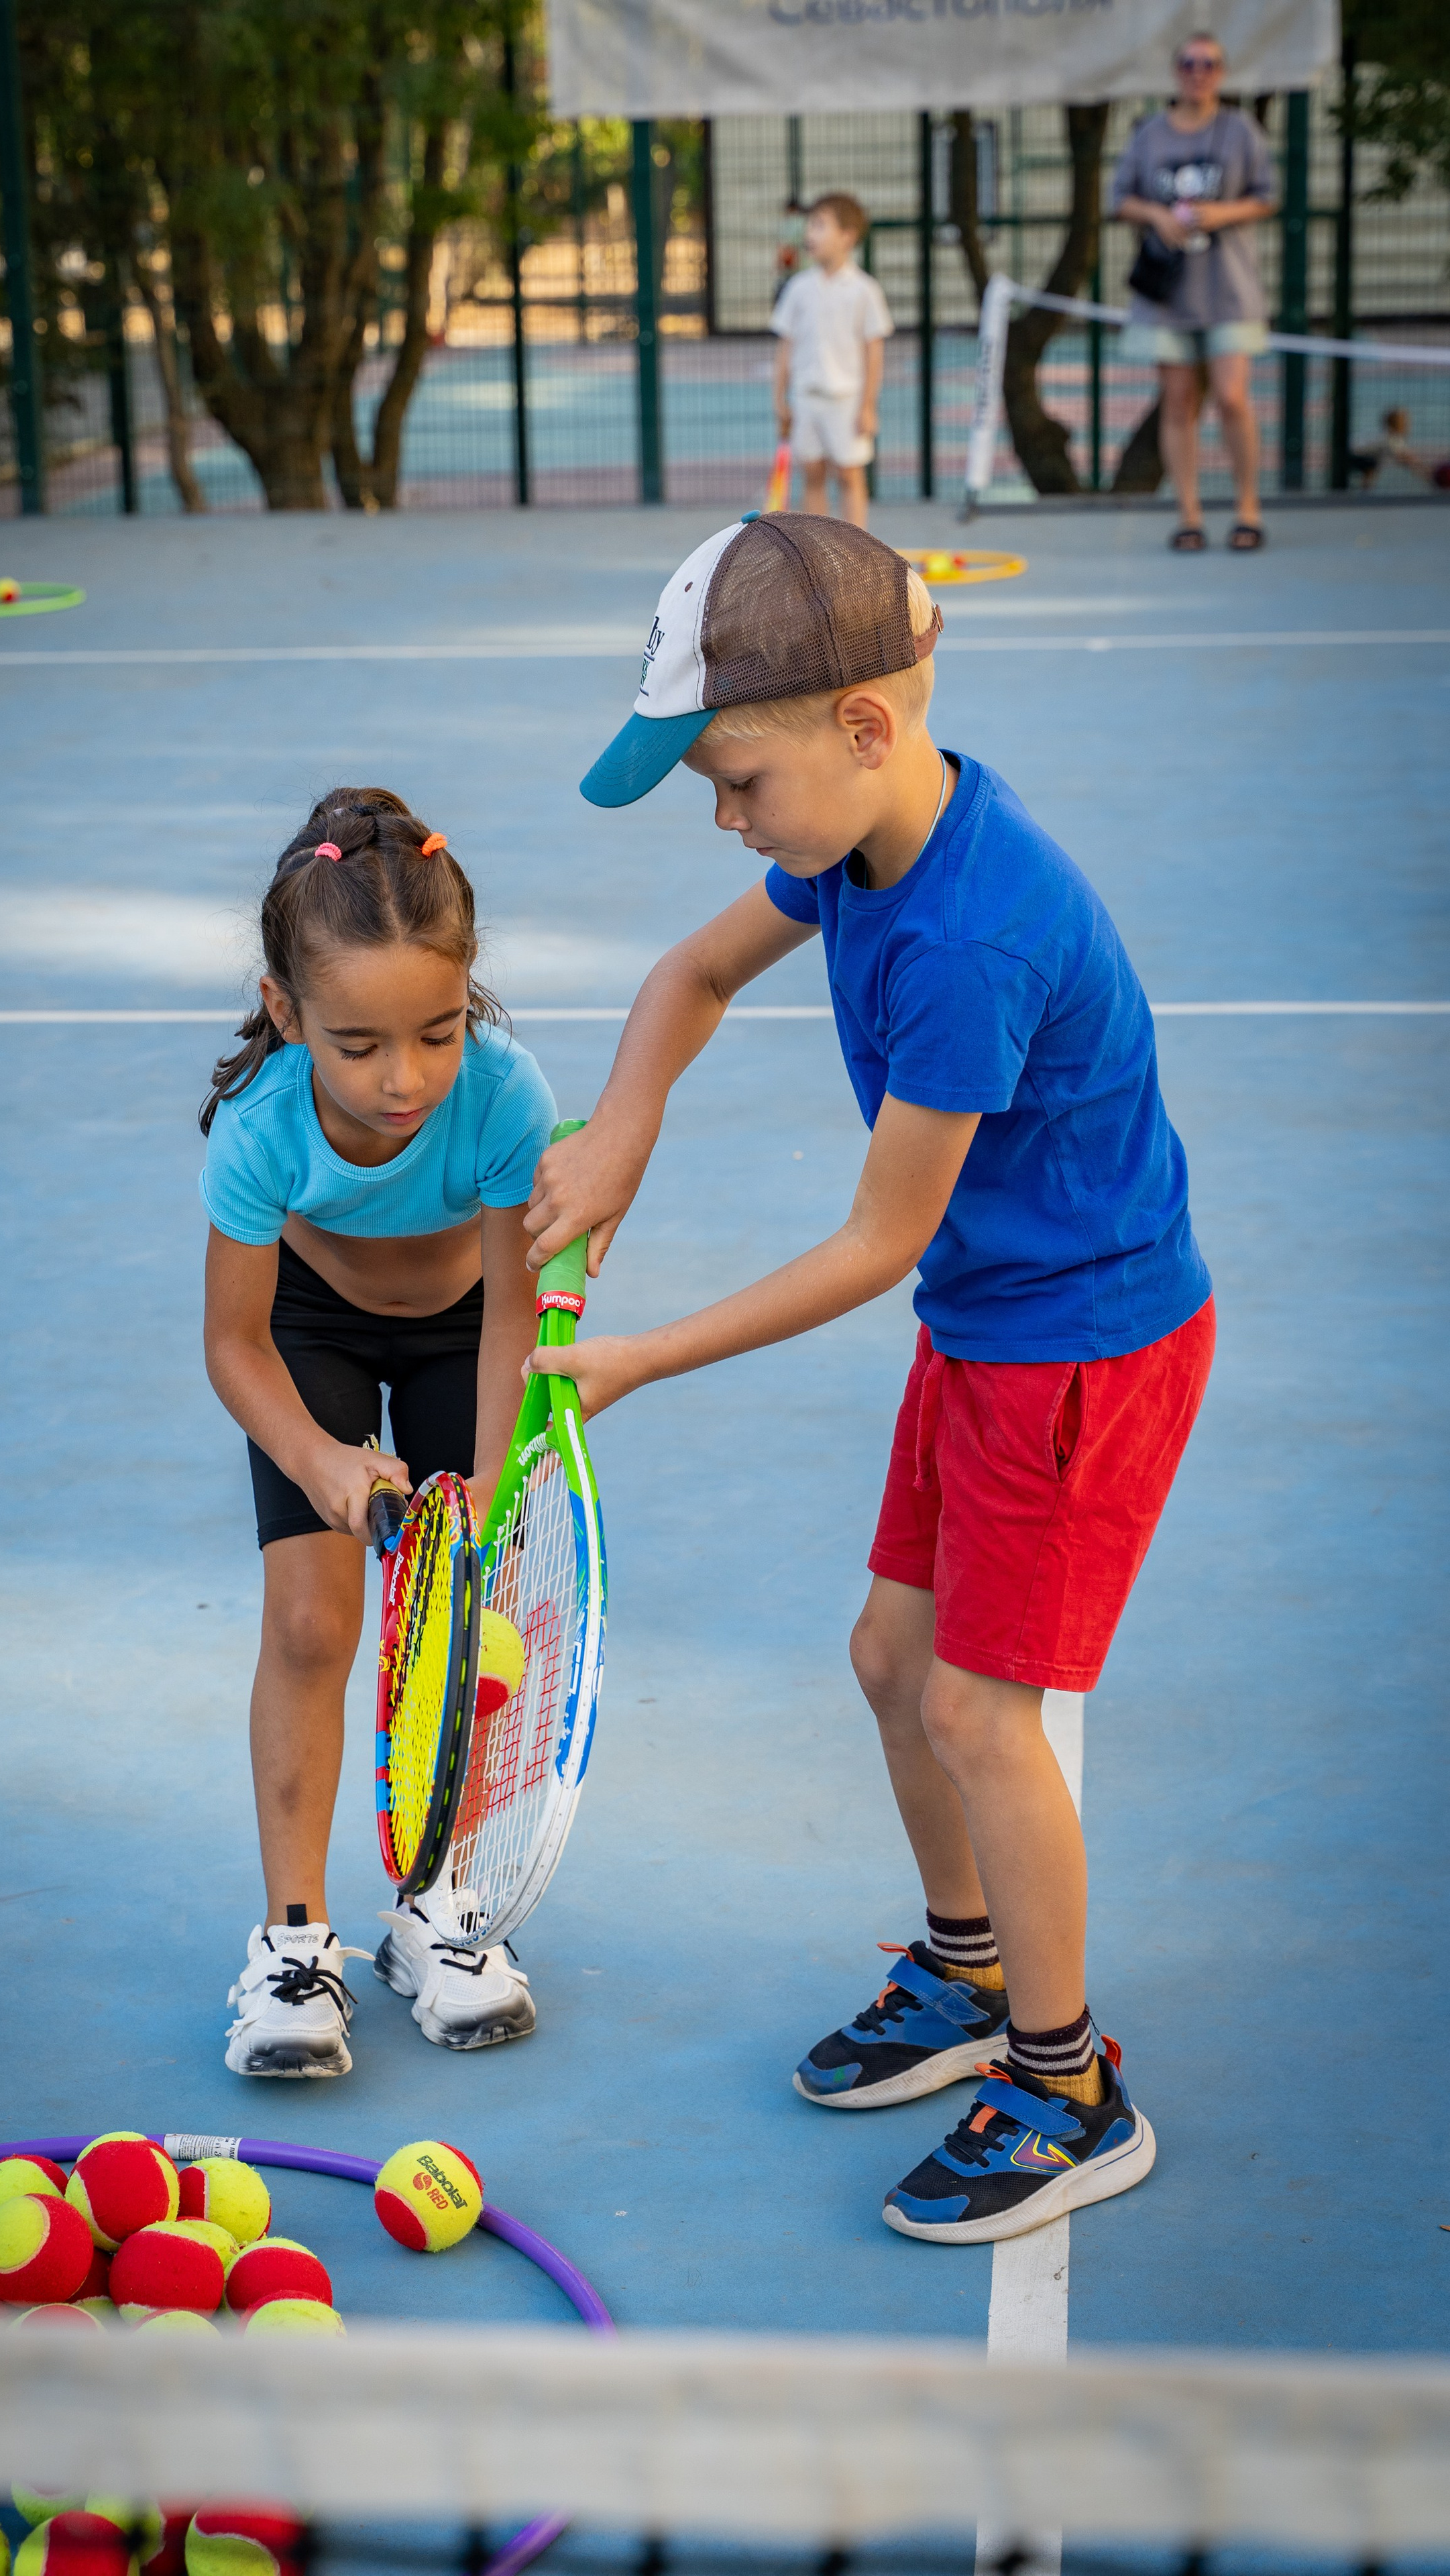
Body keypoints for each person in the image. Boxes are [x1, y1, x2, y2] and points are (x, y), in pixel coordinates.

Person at [527, 514, 1215, 2245]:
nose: (723, 814)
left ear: (859, 725)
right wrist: (621, 1131)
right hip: (996, 1321)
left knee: (980, 1708)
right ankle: (965, 1969)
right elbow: (684, 975)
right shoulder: (856, 841)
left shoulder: (969, 938)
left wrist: (639, 1359)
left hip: (1075, 1346)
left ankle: (1065, 2081)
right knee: (886, 1653)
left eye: (732, 776)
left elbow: (870, 1243)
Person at [199, 789, 556, 2080]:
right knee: (312, 1627)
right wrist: (325, 1464)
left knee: (464, 1630)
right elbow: (235, 1344)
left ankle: (438, 1908)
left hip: (469, 1334)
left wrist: (495, 1482)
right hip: (311, 1332)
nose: (403, 1079)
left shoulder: (507, 1098)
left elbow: (516, 1312)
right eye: (356, 1043)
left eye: (438, 1032)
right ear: (287, 1013)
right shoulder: (260, 1129)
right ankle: (294, 1943)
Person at [1113, 34, 1277, 553]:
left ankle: (1247, 507)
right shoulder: (1151, 134)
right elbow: (1122, 199)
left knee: (1231, 397)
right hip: (1168, 294)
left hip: (1228, 288)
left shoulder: (1239, 130)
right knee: (1179, 401)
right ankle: (1190, 514)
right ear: (1176, 71)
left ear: (1222, 73)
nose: (1198, 72)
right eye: (1188, 63)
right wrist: (1159, 214)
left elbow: (1266, 196)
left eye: (1209, 64)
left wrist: (1222, 213)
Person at [772, 193, 893, 531]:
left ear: (847, 237)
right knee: (812, 474)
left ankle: (857, 553)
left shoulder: (864, 291)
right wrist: (779, 399)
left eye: (820, 225)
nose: (810, 233)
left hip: (847, 400)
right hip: (807, 398)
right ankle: (821, 553)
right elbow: (785, 348)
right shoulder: (798, 289)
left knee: (850, 475)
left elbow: (874, 352)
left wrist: (868, 405)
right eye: (811, 225)